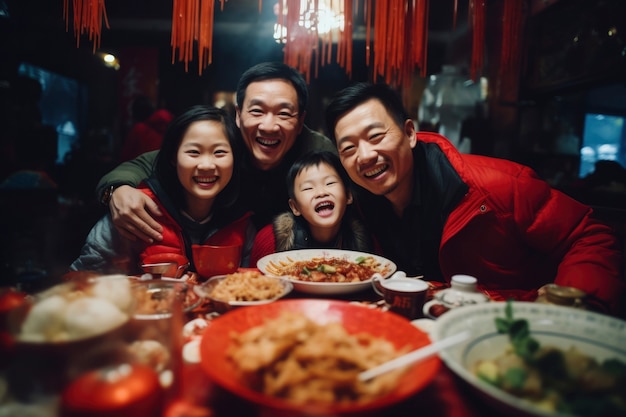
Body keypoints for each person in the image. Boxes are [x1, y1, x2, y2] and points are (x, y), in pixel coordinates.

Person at [324, 82, 625, 316]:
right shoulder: (361, 203)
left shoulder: (494, 185)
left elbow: (588, 236)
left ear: (410, 133)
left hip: (521, 325)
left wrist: (573, 306)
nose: (364, 156)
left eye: (376, 136)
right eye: (348, 148)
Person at [95, 62, 336, 243]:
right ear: (239, 115)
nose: (269, 126)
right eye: (257, 111)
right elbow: (145, 164)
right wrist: (117, 190)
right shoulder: (224, 144)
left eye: (284, 113)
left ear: (301, 119)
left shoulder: (317, 151)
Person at [70, 105, 254, 275]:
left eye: (219, 152)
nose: (206, 165)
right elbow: (83, 280)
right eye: (193, 152)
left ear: (235, 158)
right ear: (173, 157)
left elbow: (246, 287)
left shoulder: (242, 219)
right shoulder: (134, 210)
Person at [249, 151, 375, 266]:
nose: (321, 192)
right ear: (295, 207)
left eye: (330, 183)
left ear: (348, 195)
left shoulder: (366, 240)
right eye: (308, 188)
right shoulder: (270, 240)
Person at [119, 95, 174, 162]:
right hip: (166, 166)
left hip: (143, 168)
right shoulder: (169, 122)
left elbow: (126, 156)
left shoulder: (139, 129)